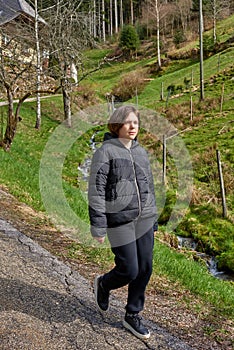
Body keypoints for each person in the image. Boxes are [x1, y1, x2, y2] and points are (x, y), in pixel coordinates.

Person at [88, 105, 157, 340]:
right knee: (129, 269)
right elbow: (96, 190)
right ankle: (104, 285)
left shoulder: (141, 153)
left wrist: (153, 218)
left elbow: (148, 187)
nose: (132, 127)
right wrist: (98, 225)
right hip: (119, 220)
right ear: (117, 125)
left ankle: (132, 315)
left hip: (144, 219)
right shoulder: (105, 152)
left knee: (145, 267)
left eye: (135, 123)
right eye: (128, 122)